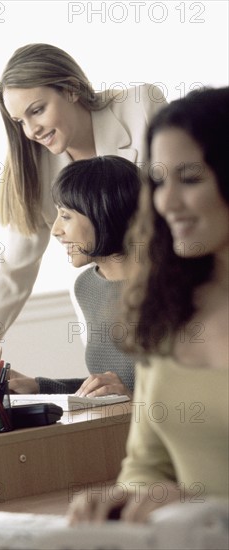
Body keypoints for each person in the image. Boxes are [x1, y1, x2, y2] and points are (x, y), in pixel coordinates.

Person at [0, 43, 167, 396]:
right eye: (20, 121)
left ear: (71, 89)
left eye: (38, 110)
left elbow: (189, 206)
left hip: (171, 291)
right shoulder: (36, 165)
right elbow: (15, 270)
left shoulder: (139, 108)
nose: (31, 130)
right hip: (110, 307)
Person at [68, 86, 229, 524]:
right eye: (158, 181)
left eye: (190, 178)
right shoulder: (165, 307)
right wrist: (124, 501)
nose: (166, 202)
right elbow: (145, 465)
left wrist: (204, 509)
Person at [9, 155, 140, 397]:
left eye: (66, 216)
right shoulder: (87, 286)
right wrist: (39, 386)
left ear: (103, 213)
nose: (56, 230)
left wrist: (135, 402)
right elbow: (110, 386)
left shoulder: (173, 285)